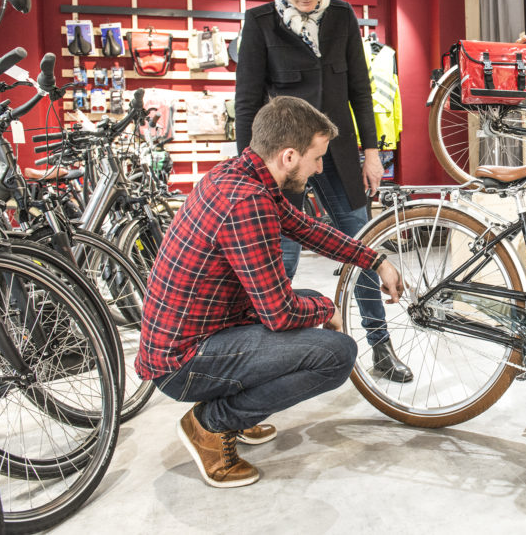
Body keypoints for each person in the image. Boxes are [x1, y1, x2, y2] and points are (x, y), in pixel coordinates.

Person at [135, 96, 403, 488]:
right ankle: (210, 425)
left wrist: (374, 259)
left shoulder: (238, 176)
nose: (320, 168)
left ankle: (234, 414)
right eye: (317, 157)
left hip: (193, 339)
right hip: (183, 364)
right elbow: (278, 314)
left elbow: (306, 228)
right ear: (290, 156)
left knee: (307, 301)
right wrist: (325, 308)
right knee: (337, 354)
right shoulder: (248, 202)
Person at [234, 0, 412, 383]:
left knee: (362, 248)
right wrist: (248, 172)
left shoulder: (341, 17)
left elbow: (360, 89)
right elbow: (247, 104)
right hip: (285, 165)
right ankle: (271, 361)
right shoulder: (259, 25)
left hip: (339, 157)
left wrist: (372, 153)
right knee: (281, 261)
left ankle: (381, 347)